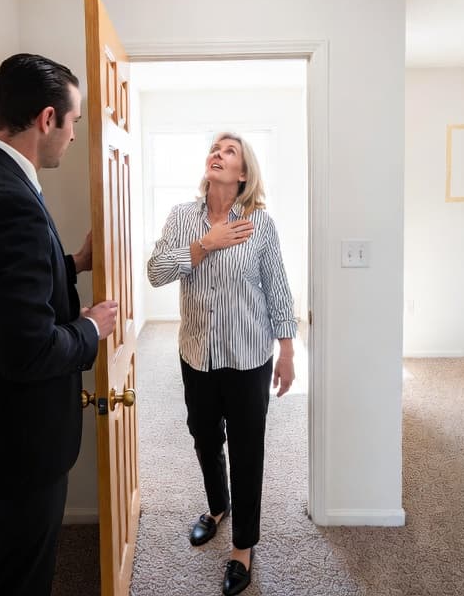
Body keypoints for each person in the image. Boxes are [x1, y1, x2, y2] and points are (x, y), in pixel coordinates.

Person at [0, 53, 118, 596]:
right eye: (74, 122)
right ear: (47, 118)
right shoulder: (9, 201)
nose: (75, 136)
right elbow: (27, 352)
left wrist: (68, 265)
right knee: (18, 583)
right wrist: (91, 331)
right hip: (14, 446)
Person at [147, 132, 297, 596]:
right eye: (215, 148)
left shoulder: (260, 224)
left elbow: (277, 288)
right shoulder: (182, 217)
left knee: (248, 448)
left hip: (249, 356)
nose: (218, 153)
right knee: (204, 435)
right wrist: (204, 245)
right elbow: (156, 272)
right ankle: (217, 506)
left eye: (229, 151)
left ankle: (243, 546)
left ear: (243, 173)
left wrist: (287, 351)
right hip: (197, 353)